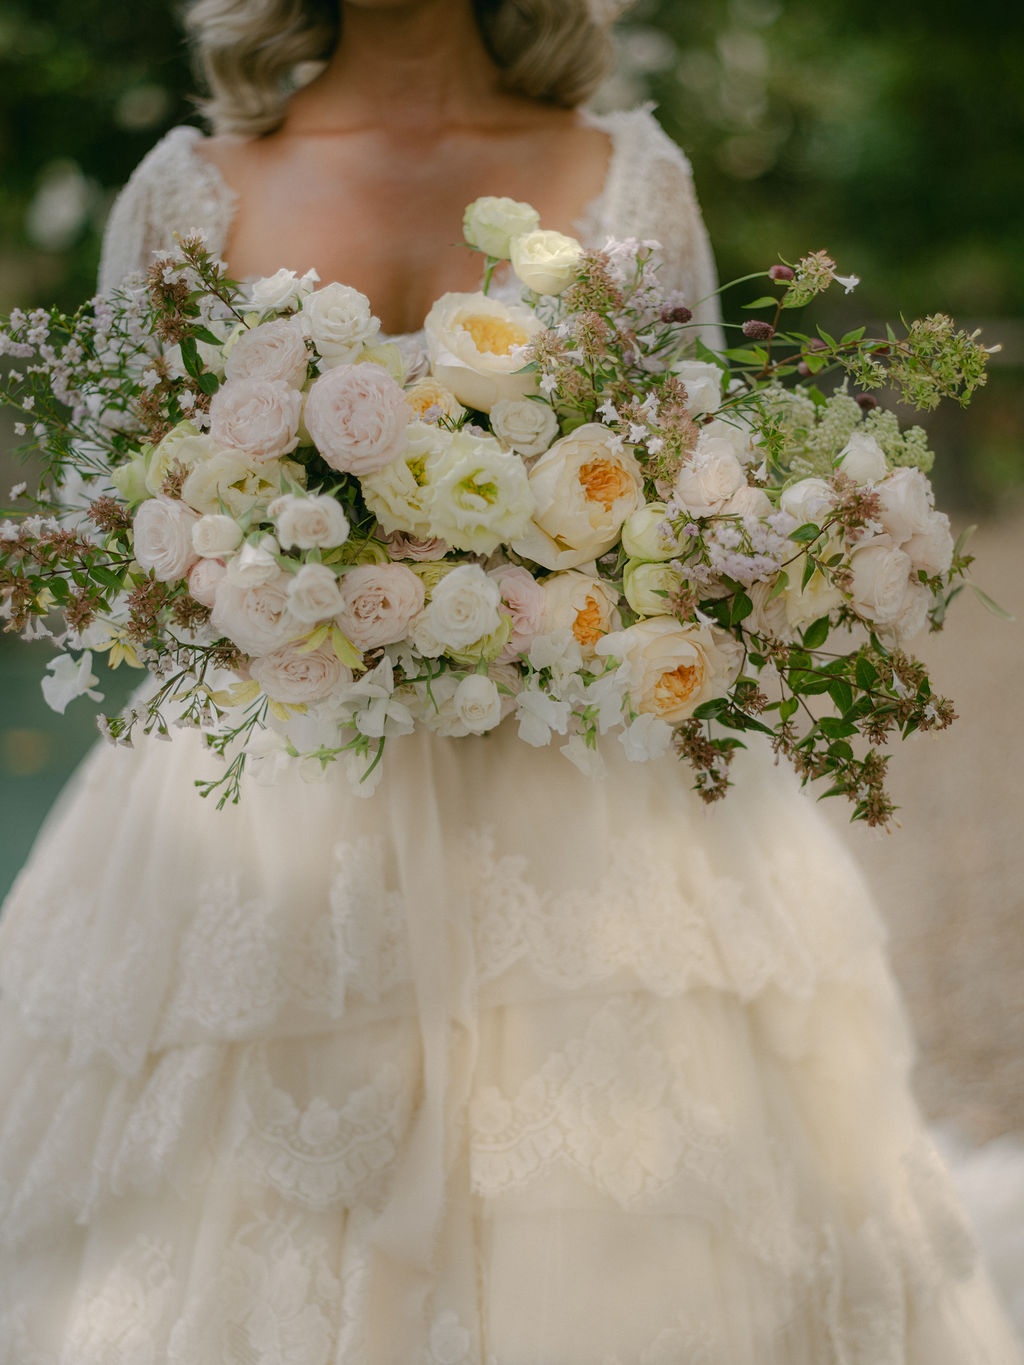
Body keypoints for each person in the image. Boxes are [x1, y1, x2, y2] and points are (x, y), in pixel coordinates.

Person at [0, 1, 1020, 1361]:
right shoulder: (189, 192)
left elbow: (687, 500)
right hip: (266, 816)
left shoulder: (626, 174)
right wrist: (287, 571)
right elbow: (131, 519)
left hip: (581, 795)